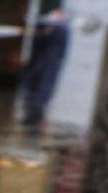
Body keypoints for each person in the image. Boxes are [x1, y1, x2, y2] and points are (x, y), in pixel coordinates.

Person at [20, 0, 69, 134]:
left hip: (47, 22)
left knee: (39, 70)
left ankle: (33, 115)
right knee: (43, 71)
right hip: (50, 24)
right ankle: (33, 116)